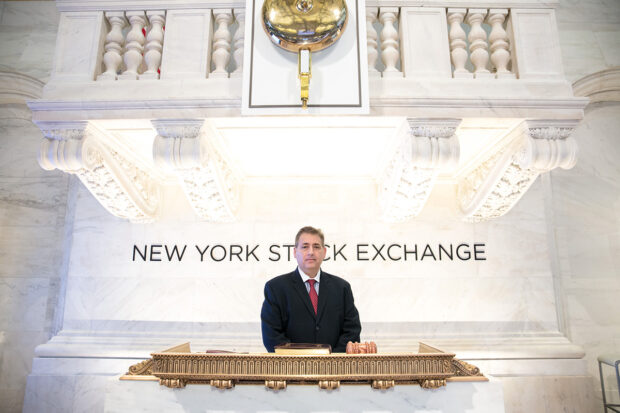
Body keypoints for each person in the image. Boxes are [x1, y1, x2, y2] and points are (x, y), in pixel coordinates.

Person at [261, 226, 361, 352]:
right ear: (294, 252)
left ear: (324, 252)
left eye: (316, 246)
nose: (311, 252)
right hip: (292, 369)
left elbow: (352, 331)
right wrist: (303, 362)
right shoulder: (276, 288)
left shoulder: (342, 288)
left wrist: (330, 360)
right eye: (305, 246)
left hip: (334, 368)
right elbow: (272, 336)